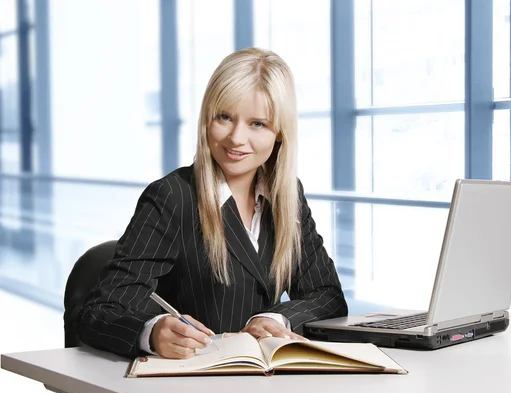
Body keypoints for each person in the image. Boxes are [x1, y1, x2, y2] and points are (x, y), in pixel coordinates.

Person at [77, 47, 348, 359]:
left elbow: (327, 295)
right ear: (207, 119)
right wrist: (151, 332)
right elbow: (99, 312)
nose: (235, 138)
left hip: (262, 380)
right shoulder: (173, 197)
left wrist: (274, 319)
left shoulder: (287, 196)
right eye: (224, 117)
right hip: (193, 382)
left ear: (279, 134)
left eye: (257, 123)